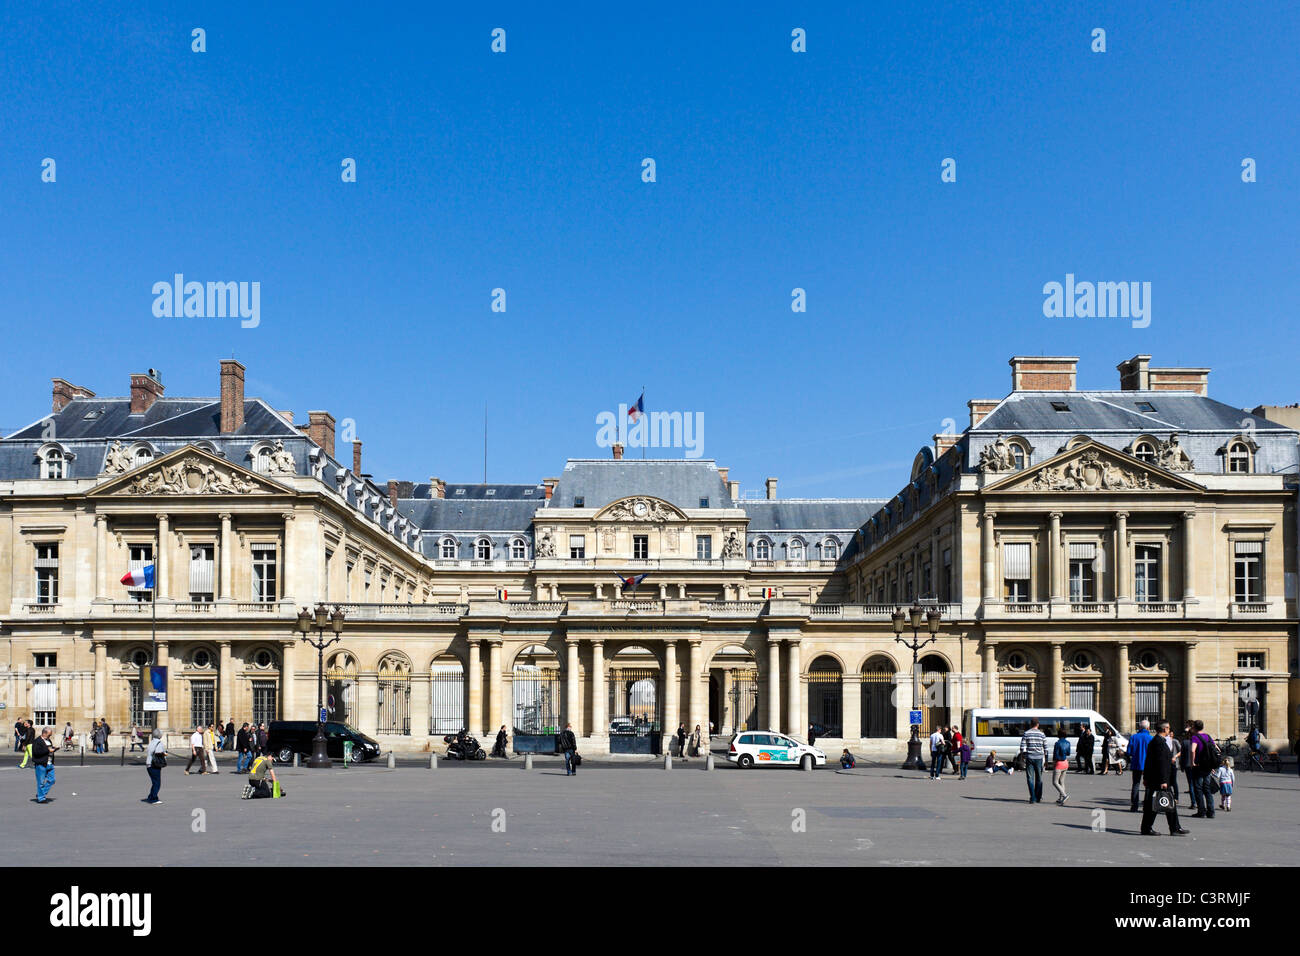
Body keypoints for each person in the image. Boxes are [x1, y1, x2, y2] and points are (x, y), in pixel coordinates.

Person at [1139, 721, 1188, 837]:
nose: (1169, 730)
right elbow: (1160, 763)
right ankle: (1148, 828)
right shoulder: (1159, 743)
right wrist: (1163, 781)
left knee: (1167, 803)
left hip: (1156, 779)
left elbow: (1148, 761)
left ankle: (1174, 827)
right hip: (1158, 780)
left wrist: (1146, 777)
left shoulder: (1156, 741)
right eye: (1169, 728)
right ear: (1165, 729)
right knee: (1155, 805)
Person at [1187, 719, 1217, 819]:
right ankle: (1211, 811)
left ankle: (1201, 811)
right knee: (1207, 789)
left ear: (1194, 727)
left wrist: (1192, 762)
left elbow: (1192, 750)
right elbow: (1216, 748)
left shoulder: (1195, 737)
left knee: (1198, 789)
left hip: (1199, 766)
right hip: (1208, 766)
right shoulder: (1208, 736)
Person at [1018, 718, 1048, 803]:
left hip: (1029, 758)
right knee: (1039, 778)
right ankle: (1037, 796)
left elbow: (1022, 747)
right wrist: (1046, 760)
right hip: (1039, 758)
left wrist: (1023, 756)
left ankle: (1033, 797)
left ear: (1031, 724)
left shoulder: (1026, 733)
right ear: (1037, 724)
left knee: (1030, 778)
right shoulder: (1042, 734)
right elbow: (1046, 748)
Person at [1126, 720, 1153, 812]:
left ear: (1139, 727)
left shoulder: (1133, 737)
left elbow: (1129, 752)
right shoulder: (1151, 738)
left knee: (1136, 785)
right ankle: (1147, 805)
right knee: (1148, 786)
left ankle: (1134, 805)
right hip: (1148, 765)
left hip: (1136, 764)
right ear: (1148, 728)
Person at [30, 726, 58, 804]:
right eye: (49, 735)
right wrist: (48, 750)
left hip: (49, 763)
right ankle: (41, 798)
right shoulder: (37, 741)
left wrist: (53, 749)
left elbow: (48, 750)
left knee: (52, 780)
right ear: (44, 733)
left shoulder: (48, 740)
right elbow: (36, 752)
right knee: (41, 782)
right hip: (41, 764)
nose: (50, 736)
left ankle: (40, 794)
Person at [143, 728, 167, 805]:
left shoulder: (151, 742)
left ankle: (151, 796)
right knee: (157, 783)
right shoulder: (159, 743)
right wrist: (164, 753)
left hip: (149, 764)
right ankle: (153, 798)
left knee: (154, 782)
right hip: (155, 764)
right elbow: (159, 753)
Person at [1051, 727, 1072, 805]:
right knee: (1062, 781)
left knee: (1055, 782)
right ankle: (1060, 798)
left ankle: (1064, 795)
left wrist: (1053, 763)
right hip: (1066, 763)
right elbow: (1068, 753)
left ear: (1058, 735)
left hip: (1059, 763)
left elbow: (1055, 755)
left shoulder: (1057, 743)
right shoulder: (1068, 743)